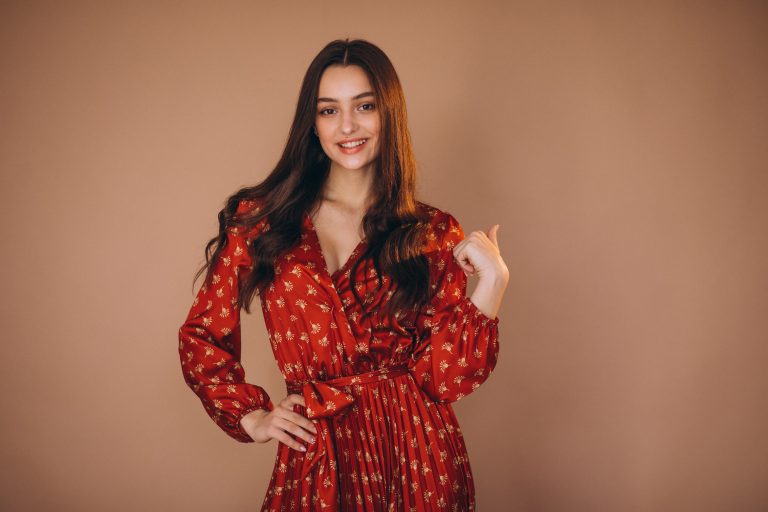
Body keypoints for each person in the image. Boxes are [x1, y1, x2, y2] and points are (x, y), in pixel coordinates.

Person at [178, 37, 509, 511]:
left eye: (365, 106)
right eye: (329, 110)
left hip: (417, 457)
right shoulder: (262, 220)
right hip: (318, 449)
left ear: (388, 114)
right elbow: (202, 334)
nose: (347, 126)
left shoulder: (432, 232)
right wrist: (250, 416)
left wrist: (493, 284)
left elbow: (444, 380)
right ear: (311, 124)